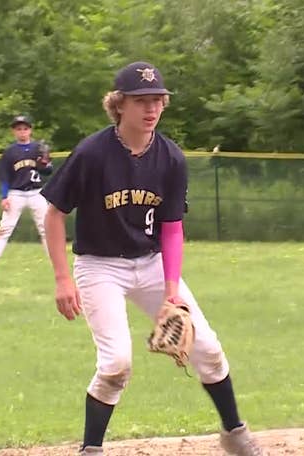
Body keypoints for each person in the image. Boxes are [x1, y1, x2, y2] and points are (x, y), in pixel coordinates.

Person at [40, 62, 263, 456]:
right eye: (141, 100)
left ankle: (235, 434)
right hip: (100, 265)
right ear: (119, 105)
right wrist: (62, 279)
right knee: (116, 363)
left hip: (153, 263)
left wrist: (172, 290)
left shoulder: (171, 158)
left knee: (208, 349)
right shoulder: (92, 153)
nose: (152, 109)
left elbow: (172, 227)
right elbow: (54, 213)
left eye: (158, 100)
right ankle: (91, 449)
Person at [0, 115, 53, 272]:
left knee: (46, 227)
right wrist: (4, 196)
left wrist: (44, 163)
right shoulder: (9, 152)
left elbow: (47, 171)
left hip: (36, 193)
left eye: (25, 128)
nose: (22, 132)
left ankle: (54, 261)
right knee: (5, 228)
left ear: (30, 130)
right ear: (14, 131)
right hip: (16, 193)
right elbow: (5, 177)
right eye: (18, 129)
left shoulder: (37, 148)